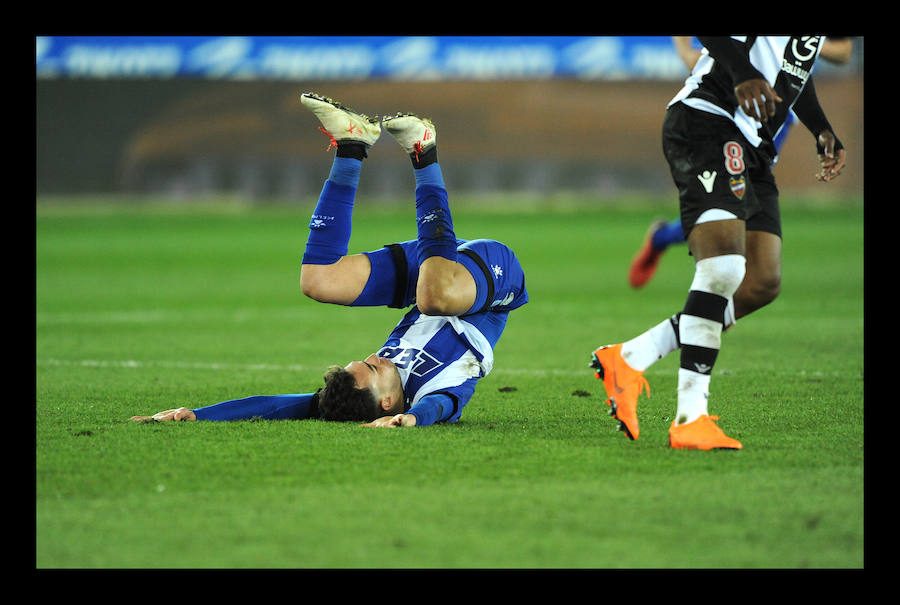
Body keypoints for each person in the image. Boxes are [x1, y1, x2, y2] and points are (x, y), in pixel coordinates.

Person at [131, 93, 528, 428]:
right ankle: (423, 150)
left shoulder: (357, 395)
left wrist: (197, 415)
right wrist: (414, 420)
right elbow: (441, 407)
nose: (375, 358)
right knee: (434, 298)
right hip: (490, 282)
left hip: (434, 268)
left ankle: (352, 144)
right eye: (372, 369)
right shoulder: (430, 392)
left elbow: (274, 405)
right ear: (388, 404)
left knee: (318, 281)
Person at [592, 36, 846, 449]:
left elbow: (796, 68)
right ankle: (691, 419)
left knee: (762, 282)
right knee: (723, 267)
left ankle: (630, 358)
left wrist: (821, 128)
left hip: (756, 148)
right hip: (708, 120)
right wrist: (742, 71)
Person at [627, 36, 853, 289]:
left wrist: (804, 44)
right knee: (729, 206)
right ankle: (701, 305)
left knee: (742, 208)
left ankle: (667, 243)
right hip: (728, 105)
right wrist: (686, 53)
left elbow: (843, 52)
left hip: (777, 115)